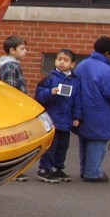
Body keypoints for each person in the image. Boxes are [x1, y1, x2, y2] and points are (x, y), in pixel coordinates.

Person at [73, 36, 110, 183]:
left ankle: (84, 169)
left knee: (85, 140)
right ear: (107, 53)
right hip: (99, 112)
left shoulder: (83, 65)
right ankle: (93, 172)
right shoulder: (106, 70)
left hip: (81, 110)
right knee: (97, 141)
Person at [33, 49, 81, 183]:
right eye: (59, 59)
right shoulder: (50, 78)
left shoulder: (75, 81)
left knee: (62, 146)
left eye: (65, 60)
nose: (61, 62)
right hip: (52, 117)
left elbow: (77, 100)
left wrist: (77, 117)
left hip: (66, 119)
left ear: (72, 64)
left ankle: (57, 168)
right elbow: (39, 95)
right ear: (55, 61)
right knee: (51, 146)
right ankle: (44, 169)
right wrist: (50, 92)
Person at [0, 35, 30, 180]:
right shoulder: (10, 66)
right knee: (13, 141)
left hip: (13, 108)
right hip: (13, 109)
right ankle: (13, 171)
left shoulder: (12, 65)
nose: (25, 52)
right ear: (12, 50)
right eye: (22, 49)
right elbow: (10, 89)